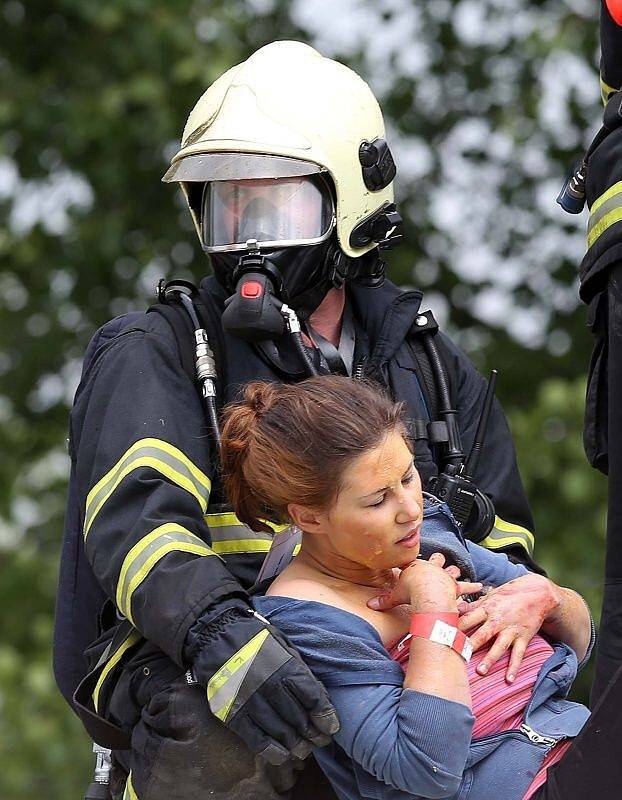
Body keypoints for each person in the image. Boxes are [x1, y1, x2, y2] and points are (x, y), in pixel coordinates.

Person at [66, 41, 562, 800]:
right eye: (226, 207)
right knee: (218, 734)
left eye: (274, 205)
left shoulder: (428, 366)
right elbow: (138, 530)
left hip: (397, 650)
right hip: (199, 660)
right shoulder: (158, 352)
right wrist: (225, 640)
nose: (248, 238)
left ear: (351, 206)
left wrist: (523, 598)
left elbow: (502, 543)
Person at [219, 374, 622, 800]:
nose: (411, 509)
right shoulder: (308, 620)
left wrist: (551, 599)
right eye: (377, 500)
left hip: (576, 740)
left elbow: (583, 645)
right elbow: (427, 766)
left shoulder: (426, 537)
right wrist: (435, 606)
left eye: (409, 477)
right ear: (310, 518)